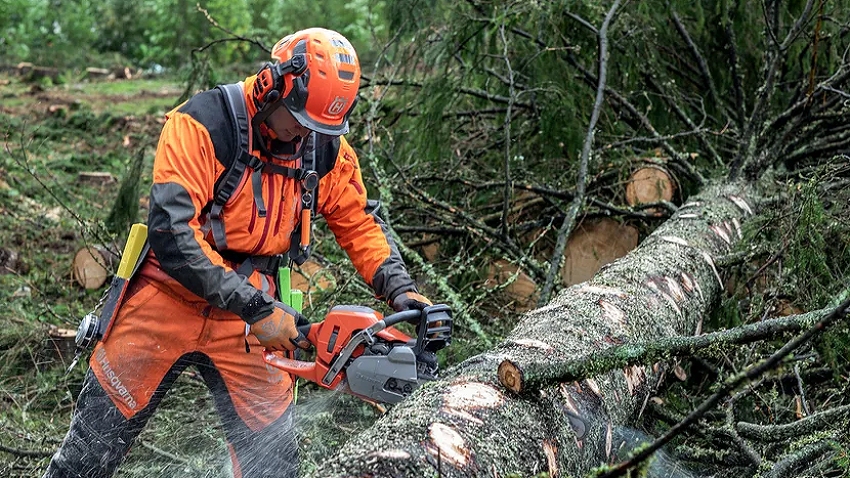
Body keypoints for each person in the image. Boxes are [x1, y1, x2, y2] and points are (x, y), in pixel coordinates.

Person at [43, 27, 432, 478]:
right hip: (166, 299)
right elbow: (172, 235)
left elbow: (359, 221)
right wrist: (256, 307)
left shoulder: (322, 147)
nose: (304, 135)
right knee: (88, 453)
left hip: (250, 317)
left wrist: (402, 293)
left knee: (273, 464)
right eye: (299, 120)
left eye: (318, 128)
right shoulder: (203, 124)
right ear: (273, 85)